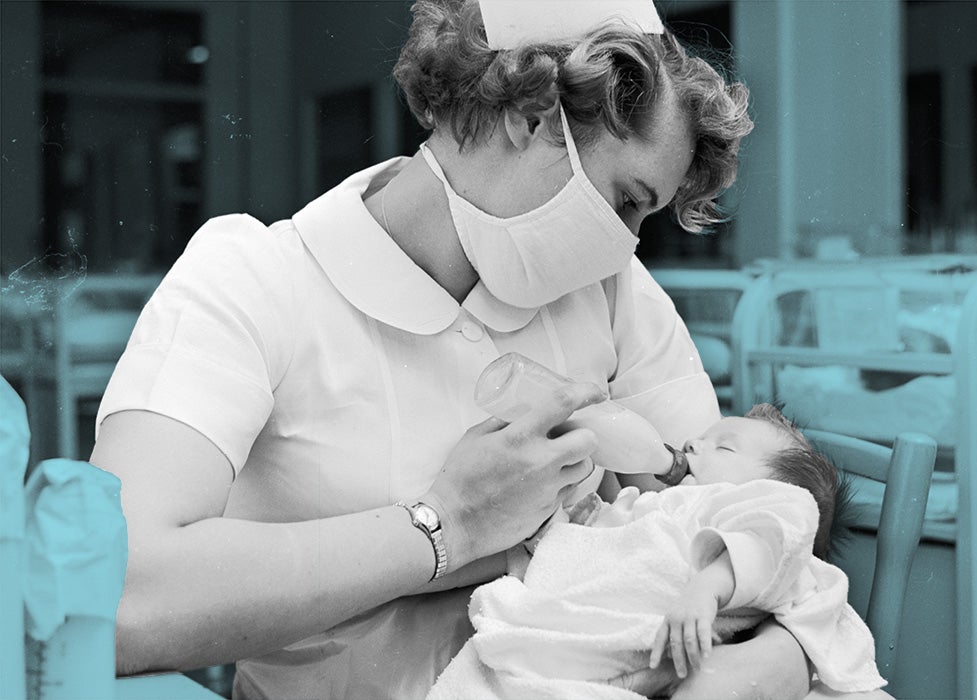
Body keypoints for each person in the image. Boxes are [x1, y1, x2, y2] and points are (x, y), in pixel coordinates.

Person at [88, 1, 821, 698]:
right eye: (626, 201)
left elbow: (737, 522)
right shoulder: (252, 281)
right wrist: (444, 526)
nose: (625, 244)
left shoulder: (612, 291)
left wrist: (790, 651)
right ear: (533, 117)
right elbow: (117, 598)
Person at [426, 404, 884, 699]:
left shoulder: (761, 507)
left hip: (640, 652)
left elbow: (773, 538)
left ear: (768, 486)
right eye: (702, 436)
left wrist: (708, 586)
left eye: (723, 445)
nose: (692, 444)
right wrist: (572, 523)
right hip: (580, 636)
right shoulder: (659, 504)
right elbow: (601, 544)